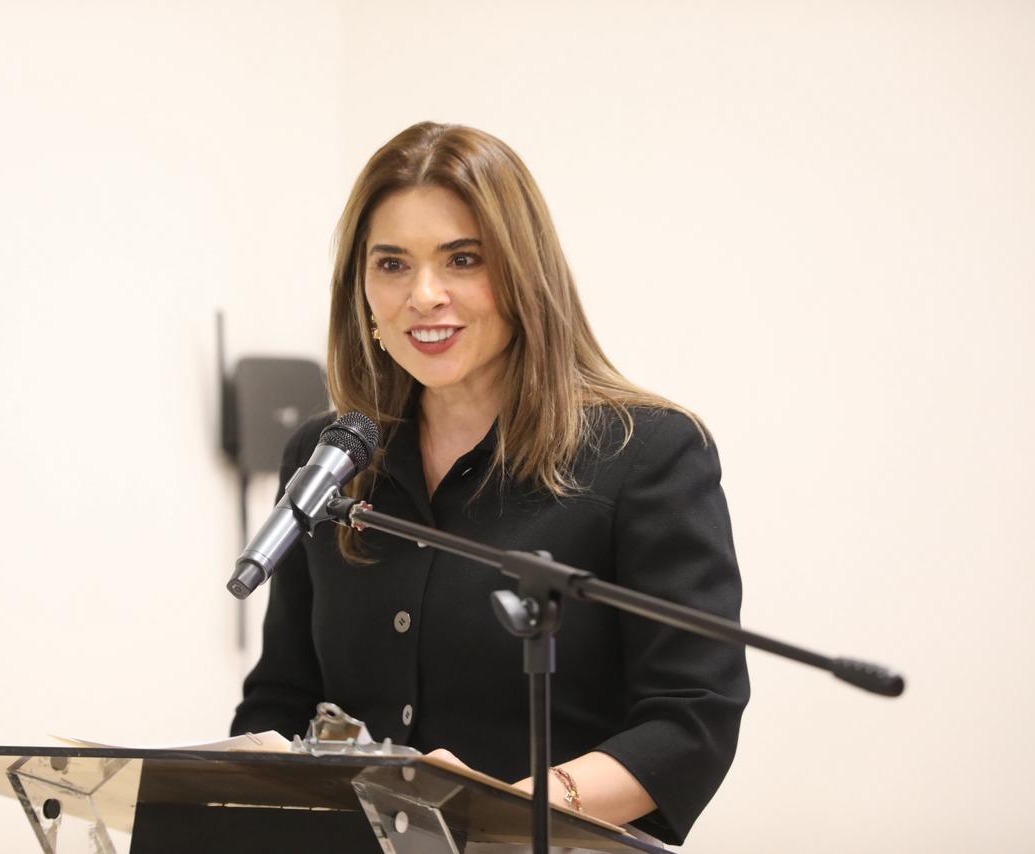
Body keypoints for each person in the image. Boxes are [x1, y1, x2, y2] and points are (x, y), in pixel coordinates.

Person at [230, 122, 749, 847]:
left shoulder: (648, 452)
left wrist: (503, 810)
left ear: (524, 273)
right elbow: (283, 694)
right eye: (392, 264)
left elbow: (691, 718)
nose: (424, 295)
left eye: (463, 259)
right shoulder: (326, 455)